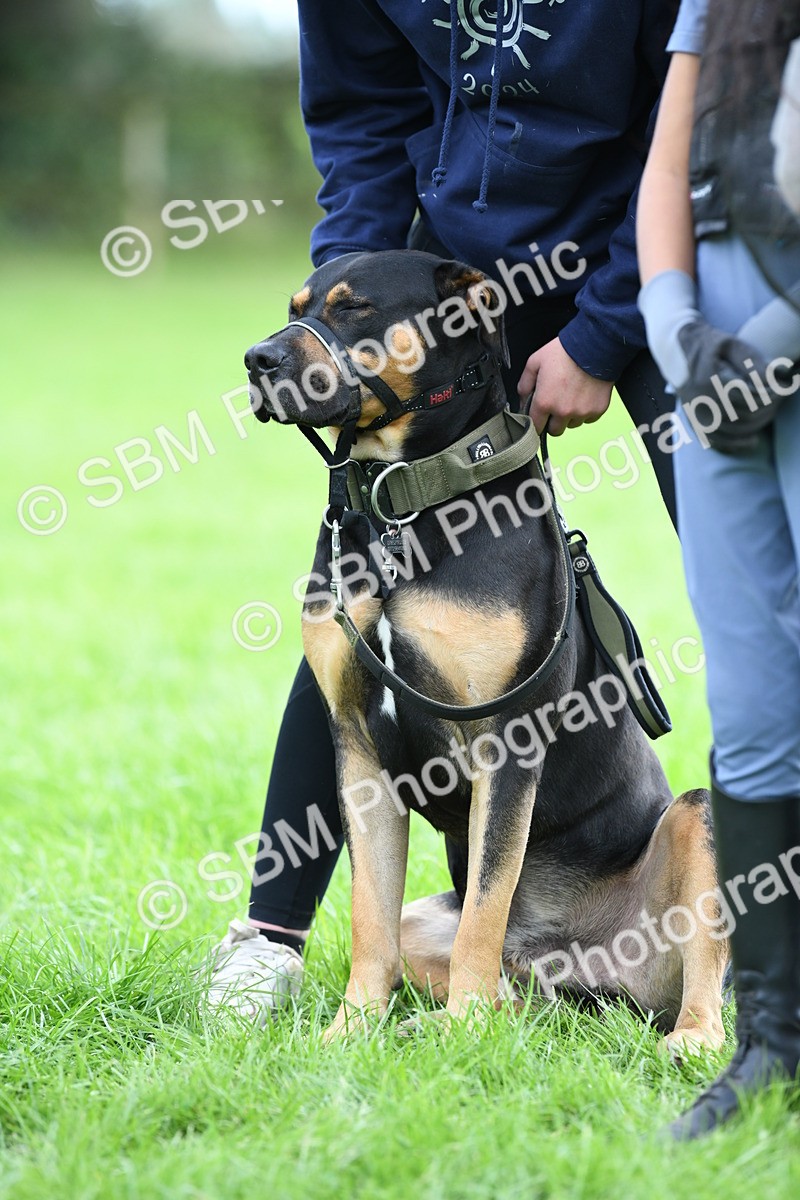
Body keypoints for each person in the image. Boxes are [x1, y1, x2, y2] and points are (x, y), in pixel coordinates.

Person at [207, 0, 686, 1023]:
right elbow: (360, 116)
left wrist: (602, 332)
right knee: (365, 609)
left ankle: (750, 919)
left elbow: (682, 126)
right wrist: (347, 311)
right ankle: (272, 940)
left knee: (760, 586)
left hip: (655, 250)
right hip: (445, 287)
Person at [637, 0, 800, 1139]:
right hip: (711, 357)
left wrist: (769, 350)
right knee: (747, 709)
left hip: (776, 338)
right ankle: (772, 1045)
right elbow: (667, 159)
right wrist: (676, 334)